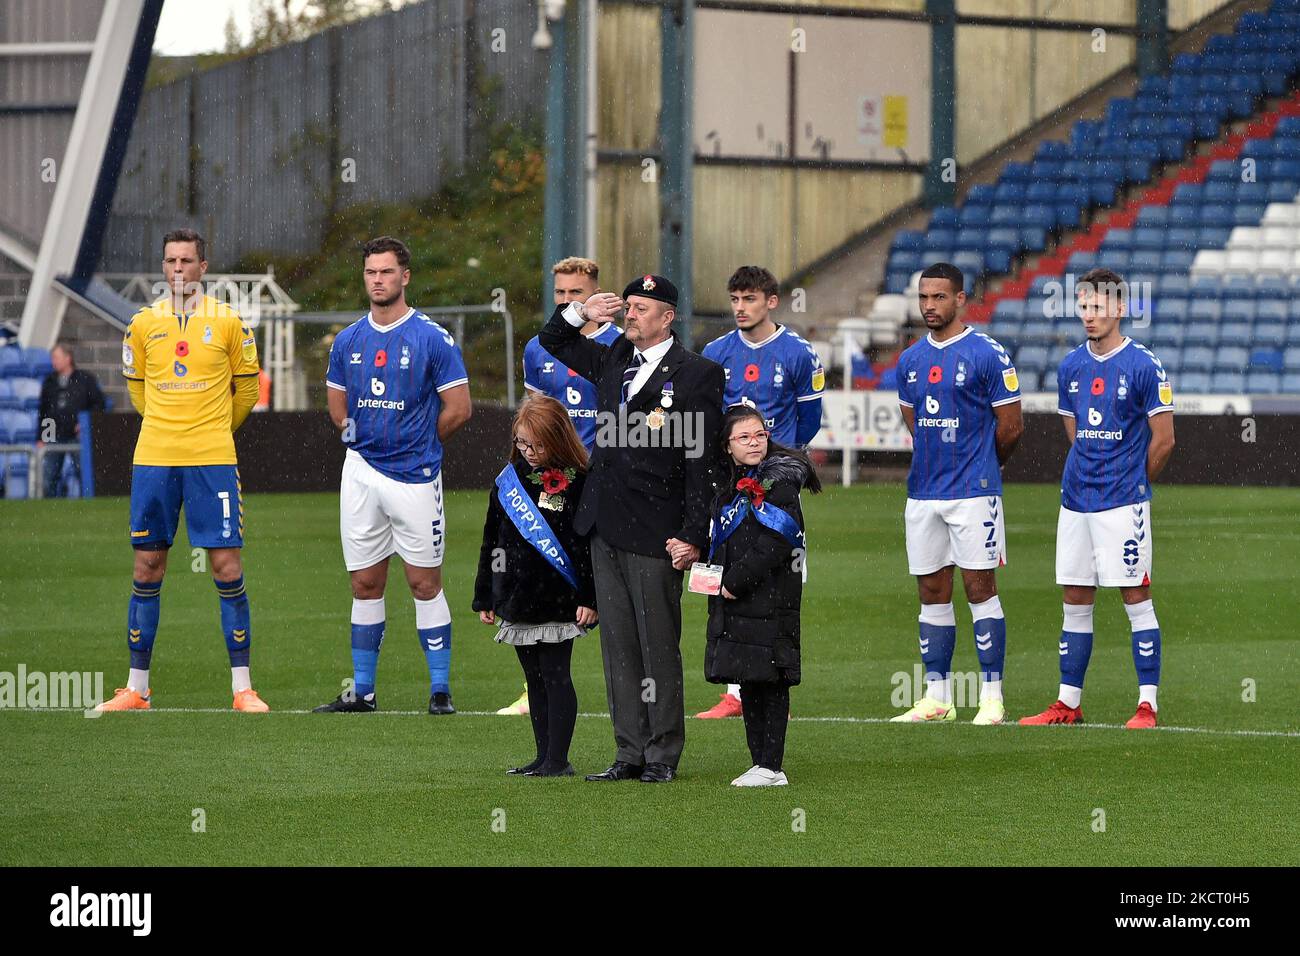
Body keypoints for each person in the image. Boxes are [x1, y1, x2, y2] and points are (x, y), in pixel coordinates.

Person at [539, 273, 725, 784]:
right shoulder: (614, 358)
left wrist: (693, 533)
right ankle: (628, 751)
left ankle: (662, 753)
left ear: (667, 317)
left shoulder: (697, 373)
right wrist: (583, 311)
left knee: (657, 646)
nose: (630, 315)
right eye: (629, 307)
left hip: (658, 528)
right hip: (606, 523)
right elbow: (551, 340)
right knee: (618, 644)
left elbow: (702, 461)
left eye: (641, 308)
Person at [97, 228, 268, 712]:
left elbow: (249, 391)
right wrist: (166, 427)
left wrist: (213, 430)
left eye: (186, 261)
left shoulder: (230, 322)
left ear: (203, 267)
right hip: (154, 459)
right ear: (163, 266)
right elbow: (137, 389)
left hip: (212, 460)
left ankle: (242, 689)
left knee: (226, 565)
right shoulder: (142, 324)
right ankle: (137, 689)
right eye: (170, 260)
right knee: (147, 565)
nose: (178, 269)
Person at [314, 236, 472, 715]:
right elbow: (336, 400)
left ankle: (440, 690)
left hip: (415, 476)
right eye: (370, 272)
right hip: (361, 472)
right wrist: (354, 433)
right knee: (364, 582)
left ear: (405, 277)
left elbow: (459, 408)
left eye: (386, 272)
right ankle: (363, 692)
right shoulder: (348, 339)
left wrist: (421, 441)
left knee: (424, 582)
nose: (378, 280)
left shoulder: (431, 337)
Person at [1021, 268, 1175, 729]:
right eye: (1084, 306)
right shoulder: (1070, 366)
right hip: (1076, 501)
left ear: (1120, 309)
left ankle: (1147, 704)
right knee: (1075, 596)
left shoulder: (1145, 365)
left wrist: (1130, 482)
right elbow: (1075, 433)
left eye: (1099, 307)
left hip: (1123, 504)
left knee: (1135, 596)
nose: (1089, 315)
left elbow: (1164, 440)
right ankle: (1068, 703)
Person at [891, 262, 1024, 725]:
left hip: (974, 490)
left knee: (979, 588)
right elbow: (914, 424)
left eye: (939, 297)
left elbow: (1011, 427)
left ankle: (991, 697)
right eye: (924, 297)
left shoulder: (988, 354)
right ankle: (938, 698)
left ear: (960, 299)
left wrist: (984, 465)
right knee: (931, 589)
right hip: (924, 491)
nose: (930, 306)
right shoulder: (909, 360)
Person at [698, 265, 825, 718]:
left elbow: (808, 422)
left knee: (777, 583)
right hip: (730, 483)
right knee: (729, 575)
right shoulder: (715, 351)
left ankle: (774, 681)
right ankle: (735, 692)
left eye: (748, 299)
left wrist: (784, 465)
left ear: (771, 301)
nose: (739, 308)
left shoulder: (798, 352)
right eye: (734, 299)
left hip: (774, 482)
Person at [498, 256, 621, 717]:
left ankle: (625, 691)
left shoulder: (620, 346)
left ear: (596, 294)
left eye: (577, 293)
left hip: (601, 480)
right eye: (561, 294)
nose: (569, 301)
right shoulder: (537, 347)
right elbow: (535, 416)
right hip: (553, 483)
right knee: (539, 574)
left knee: (605, 586)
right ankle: (537, 690)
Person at [474, 395, 598, 776]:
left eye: (538, 444)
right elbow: (491, 541)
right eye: (522, 443)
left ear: (558, 438)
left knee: (557, 675)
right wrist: (486, 594)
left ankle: (558, 760)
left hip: (560, 598)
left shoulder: (579, 483)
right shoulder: (507, 483)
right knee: (534, 679)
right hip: (518, 595)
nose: (528, 451)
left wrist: (590, 597)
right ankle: (542, 755)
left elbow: (588, 546)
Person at [704, 404, 821, 786]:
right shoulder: (727, 483)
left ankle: (771, 766)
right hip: (742, 596)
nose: (754, 443)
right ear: (728, 446)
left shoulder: (781, 481)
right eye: (744, 437)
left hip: (770, 595)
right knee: (749, 676)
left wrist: (735, 582)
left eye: (759, 435)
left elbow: (775, 542)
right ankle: (761, 764)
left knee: (771, 677)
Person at [37, 343, 107, 498]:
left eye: (56, 357)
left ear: (68, 358)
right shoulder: (49, 382)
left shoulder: (85, 379)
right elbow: (43, 411)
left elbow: (99, 404)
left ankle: (87, 506)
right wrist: (41, 436)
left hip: (78, 436)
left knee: (83, 473)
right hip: (53, 433)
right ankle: (48, 509)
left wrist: (85, 423)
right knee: (49, 477)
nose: (53, 361)